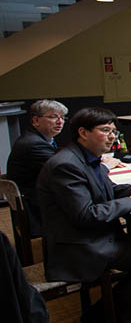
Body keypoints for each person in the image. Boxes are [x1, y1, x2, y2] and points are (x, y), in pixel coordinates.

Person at [36, 107, 131, 323]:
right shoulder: (66, 165)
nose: (113, 136)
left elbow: (108, 192)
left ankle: (101, 312)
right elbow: (86, 215)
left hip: (92, 237)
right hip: (79, 246)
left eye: (114, 131)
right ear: (83, 132)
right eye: (105, 131)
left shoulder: (86, 158)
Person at [6, 100, 68, 237]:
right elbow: (64, 170)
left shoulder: (40, 139)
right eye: (53, 117)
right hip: (37, 207)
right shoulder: (34, 144)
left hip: (34, 199)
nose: (60, 122)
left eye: (62, 117)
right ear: (35, 120)